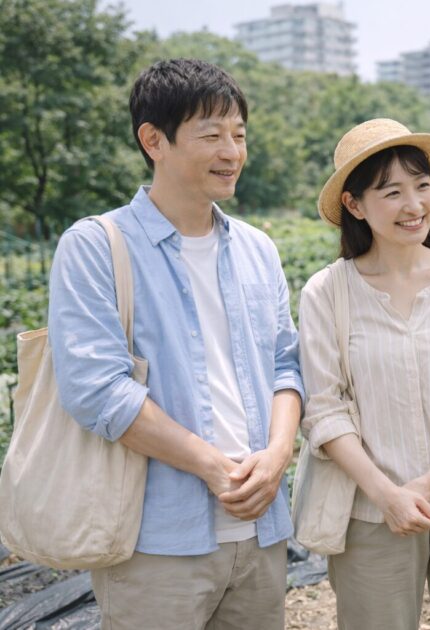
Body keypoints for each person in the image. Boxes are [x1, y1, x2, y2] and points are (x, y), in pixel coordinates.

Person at [48, 59, 303, 629]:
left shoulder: (258, 248)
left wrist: (279, 455)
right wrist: (214, 468)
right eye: (211, 135)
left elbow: (287, 364)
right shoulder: (96, 245)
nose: (231, 151)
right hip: (156, 538)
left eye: (239, 135)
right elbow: (96, 390)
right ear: (153, 140)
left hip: (262, 530)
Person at [299, 118, 430, 630]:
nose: (414, 205)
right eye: (391, 192)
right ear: (354, 205)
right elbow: (325, 412)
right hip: (372, 510)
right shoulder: (328, 293)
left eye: (421, 187)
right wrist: (388, 494)